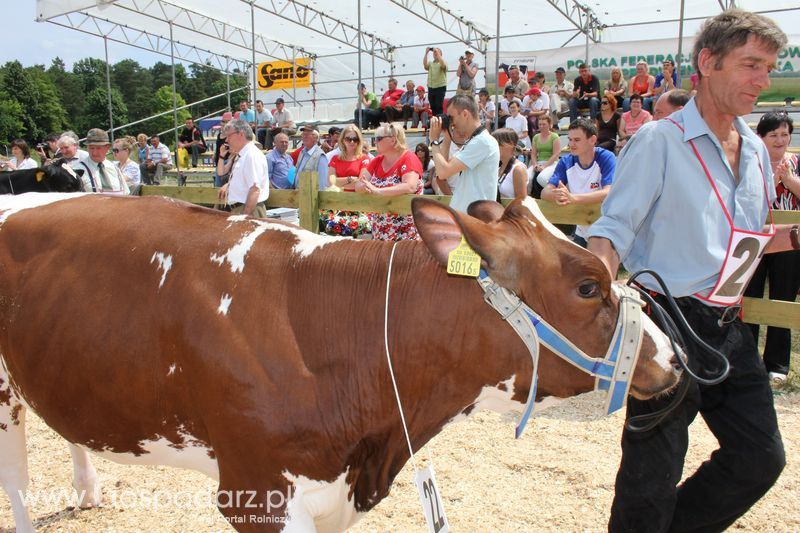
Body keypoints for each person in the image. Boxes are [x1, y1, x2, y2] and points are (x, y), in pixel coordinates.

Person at [587, 10, 790, 532]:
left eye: (769, 68)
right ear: (708, 61)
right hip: (668, 326)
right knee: (649, 481)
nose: (763, 81)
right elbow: (615, 227)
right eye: (751, 65)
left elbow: (744, 242)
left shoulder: (757, 155)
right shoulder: (658, 140)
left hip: (729, 326)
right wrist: (592, 289)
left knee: (760, 459)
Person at [744, 112, 800, 383]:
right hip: (756, 238)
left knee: (783, 297)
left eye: (784, 134)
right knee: (750, 297)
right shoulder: (750, 163)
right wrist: (772, 183)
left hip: (790, 241)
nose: (780, 140)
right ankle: (747, 359)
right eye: (773, 135)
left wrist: (789, 182)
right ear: (760, 138)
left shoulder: (796, 162)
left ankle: (777, 364)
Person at [541, 118, 614, 247]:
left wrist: (573, 198)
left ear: (592, 140)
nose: (571, 144)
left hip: (605, 228)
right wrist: (557, 195)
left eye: (577, 140)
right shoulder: (565, 161)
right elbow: (545, 192)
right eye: (569, 140)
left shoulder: (606, 157)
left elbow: (609, 192)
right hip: (581, 228)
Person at [428, 94, 500, 213]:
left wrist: (434, 141)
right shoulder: (474, 141)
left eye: (452, 117)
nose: (451, 123)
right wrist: (447, 137)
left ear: (465, 114)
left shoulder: (482, 142)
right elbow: (442, 174)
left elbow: (443, 171)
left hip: (475, 220)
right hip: (467, 218)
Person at [355, 123, 422, 240]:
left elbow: (410, 186)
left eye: (379, 139)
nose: (375, 142)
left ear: (393, 140)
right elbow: (359, 184)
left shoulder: (409, 158)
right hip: (379, 229)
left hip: (405, 231)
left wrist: (378, 191)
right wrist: (364, 187)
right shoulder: (377, 161)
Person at [217, 118, 269, 217]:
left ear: (240, 134)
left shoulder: (251, 155)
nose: (227, 140)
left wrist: (245, 216)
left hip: (249, 211)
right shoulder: (245, 155)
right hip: (244, 210)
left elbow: (255, 189)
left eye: (229, 136)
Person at [76, 128, 129, 194]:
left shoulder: (114, 168)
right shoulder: (78, 169)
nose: (94, 152)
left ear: (107, 147)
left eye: (98, 148)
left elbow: (126, 193)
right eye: (91, 148)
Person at [328, 125, 369, 190]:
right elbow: (330, 182)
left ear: (359, 141)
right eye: (348, 139)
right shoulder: (335, 159)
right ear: (342, 140)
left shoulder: (365, 159)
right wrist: (349, 179)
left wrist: (338, 182)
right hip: (337, 199)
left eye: (355, 139)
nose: (352, 142)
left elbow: (362, 184)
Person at [530, 115, 561, 197]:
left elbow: (556, 154)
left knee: (541, 178)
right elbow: (533, 154)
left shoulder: (554, 136)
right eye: (540, 124)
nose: (541, 126)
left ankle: (556, 194)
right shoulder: (536, 137)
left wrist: (544, 166)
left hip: (552, 163)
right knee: (526, 178)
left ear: (549, 125)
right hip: (539, 162)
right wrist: (535, 165)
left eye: (544, 124)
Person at [493, 128, 528, 200]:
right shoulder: (498, 169)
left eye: (497, 144)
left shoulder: (518, 169)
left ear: (511, 144)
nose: (493, 147)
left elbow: (521, 201)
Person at [295, 124, 329, 191]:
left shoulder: (320, 156)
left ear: (316, 138)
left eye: (307, 135)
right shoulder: (302, 153)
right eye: (303, 134)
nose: (304, 137)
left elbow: (322, 184)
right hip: (299, 195)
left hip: (311, 197)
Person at [423, 47, 448, 116]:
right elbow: (425, 65)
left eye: (437, 52)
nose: (435, 53)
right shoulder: (431, 63)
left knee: (438, 106)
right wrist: (426, 53)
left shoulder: (443, 62)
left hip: (440, 87)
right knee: (433, 107)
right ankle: (435, 121)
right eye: (434, 53)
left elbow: (443, 66)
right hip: (431, 87)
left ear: (440, 54)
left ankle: (440, 122)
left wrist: (437, 52)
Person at [213, 111, 233, 187]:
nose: (224, 124)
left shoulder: (231, 135)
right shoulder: (219, 135)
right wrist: (215, 154)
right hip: (219, 160)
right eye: (223, 122)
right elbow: (218, 146)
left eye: (227, 122)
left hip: (227, 160)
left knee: (224, 182)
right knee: (218, 183)